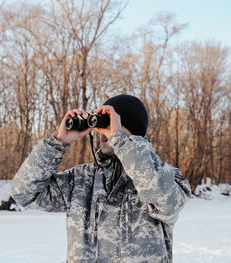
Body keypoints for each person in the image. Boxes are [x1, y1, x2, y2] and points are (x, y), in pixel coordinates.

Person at [11, 94, 191, 263]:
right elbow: (24, 193)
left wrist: (120, 141)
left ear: (134, 132)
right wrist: (58, 142)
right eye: (103, 126)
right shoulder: (81, 179)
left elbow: (166, 202)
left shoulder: (164, 177)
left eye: (111, 124)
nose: (104, 133)